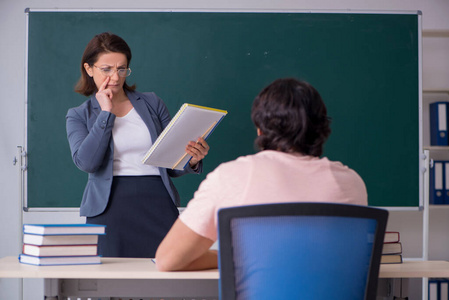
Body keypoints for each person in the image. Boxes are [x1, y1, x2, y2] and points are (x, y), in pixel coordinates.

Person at [155, 78, 368, 271]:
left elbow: (168, 259)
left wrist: (245, 256)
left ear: (259, 129)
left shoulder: (232, 177)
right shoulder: (351, 182)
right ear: (321, 127)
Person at [66, 32, 209, 258]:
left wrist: (191, 158)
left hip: (157, 202)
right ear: (89, 68)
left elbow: (171, 164)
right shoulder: (78, 115)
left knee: (165, 282)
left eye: (122, 69)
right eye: (107, 69)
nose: (115, 77)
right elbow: (87, 162)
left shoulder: (152, 103)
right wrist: (106, 112)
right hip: (109, 207)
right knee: (113, 287)